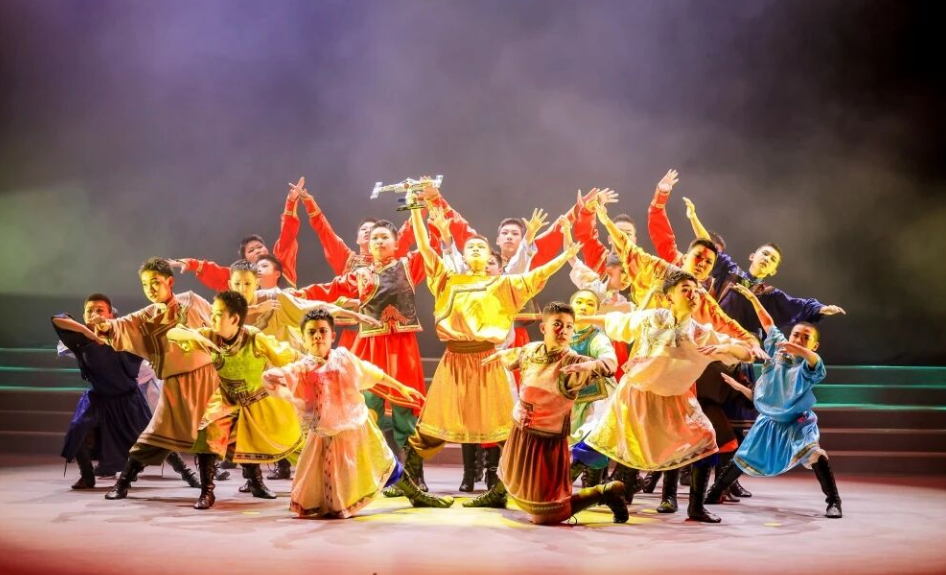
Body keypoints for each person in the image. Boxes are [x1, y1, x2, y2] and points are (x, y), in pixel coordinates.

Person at [399, 187, 583, 505]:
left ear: (489, 258)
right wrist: (415, 209)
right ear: (463, 255)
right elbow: (425, 248)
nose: (474, 250)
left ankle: (502, 490)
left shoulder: (502, 284)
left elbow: (536, 275)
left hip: (489, 360)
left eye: (480, 248)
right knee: (434, 423)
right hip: (454, 360)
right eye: (470, 246)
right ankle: (408, 482)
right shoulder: (447, 280)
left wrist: (565, 257)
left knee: (504, 427)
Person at [574, 270, 752, 523]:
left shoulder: (702, 333)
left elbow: (745, 353)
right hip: (636, 394)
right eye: (685, 290)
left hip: (674, 399)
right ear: (669, 298)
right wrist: (581, 318)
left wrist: (727, 347)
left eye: (696, 291)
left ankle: (696, 508)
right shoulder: (652, 318)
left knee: (706, 440)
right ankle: (555, 492)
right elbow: (618, 321)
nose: (693, 295)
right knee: (600, 444)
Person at [262, 309, 453, 517]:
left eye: (323, 331)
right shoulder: (302, 369)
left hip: (358, 426)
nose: (317, 336)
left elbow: (371, 372)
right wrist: (286, 390)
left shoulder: (343, 358)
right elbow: (275, 378)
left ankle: (416, 495)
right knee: (323, 476)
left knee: (387, 463)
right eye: (312, 332)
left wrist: (400, 387)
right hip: (325, 434)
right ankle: (333, 504)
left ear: (332, 336)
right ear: (304, 338)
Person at [481, 302, 627, 524]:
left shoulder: (573, 362)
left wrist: (592, 366)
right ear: (544, 328)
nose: (563, 331)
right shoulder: (532, 350)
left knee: (548, 514)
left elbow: (610, 364)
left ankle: (605, 492)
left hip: (547, 441)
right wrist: (499, 354)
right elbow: (516, 353)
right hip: (521, 433)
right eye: (557, 324)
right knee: (520, 490)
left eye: (569, 326)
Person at [705, 284, 842, 518]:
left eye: (806, 338)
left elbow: (815, 361)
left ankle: (834, 501)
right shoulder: (778, 348)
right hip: (768, 421)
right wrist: (752, 299)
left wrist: (800, 350)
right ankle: (715, 491)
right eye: (796, 335)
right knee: (742, 458)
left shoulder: (808, 365)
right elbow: (767, 322)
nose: (798, 339)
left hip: (797, 423)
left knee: (815, 455)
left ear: (814, 345)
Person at [91, 257, 220, 500]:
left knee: (208, 434)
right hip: (175, 383)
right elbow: (122, 325)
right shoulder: (146, 316)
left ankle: (208, 491)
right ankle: (123, 482)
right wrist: (106, 326)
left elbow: (218, 321)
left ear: (169, 282)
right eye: (145, 284)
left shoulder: (191, 300)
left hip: (206, 378)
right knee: (155, 433)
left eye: (155, 282)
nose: (150, 288)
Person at [166, 291, 305, 509]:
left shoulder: (254, 338)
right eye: (212, 313)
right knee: (208, 432)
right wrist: (196, 337)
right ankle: (207, 492)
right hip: (227, 398)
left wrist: (314, 363)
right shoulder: (209, 336)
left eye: (218, 314)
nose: (212, 318)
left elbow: (285, 355)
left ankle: (257, 482)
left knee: (278, 441)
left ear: (234, 319)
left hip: (258, 400)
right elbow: (173, 334)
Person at [52, 294, 163, 489]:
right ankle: (87, 476)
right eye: (89, 311)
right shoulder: (79, 338)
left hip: (127, 398)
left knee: (153, 436)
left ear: (110, 315)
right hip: (99, 398)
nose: (94, 314)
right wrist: (89, 333)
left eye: (100, 310)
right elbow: (57, 319)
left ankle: (187, 474)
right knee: (77, 429)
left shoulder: (122, 334)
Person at [171, 177, 308, 290]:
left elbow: (287, 234)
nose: (257, 251)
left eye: (260, 247)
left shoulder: (282, 265)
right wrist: (190, 263)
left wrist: (291, 202)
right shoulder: (240, 279)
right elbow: (216, 273)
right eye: (251, 250)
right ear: (245, 261)